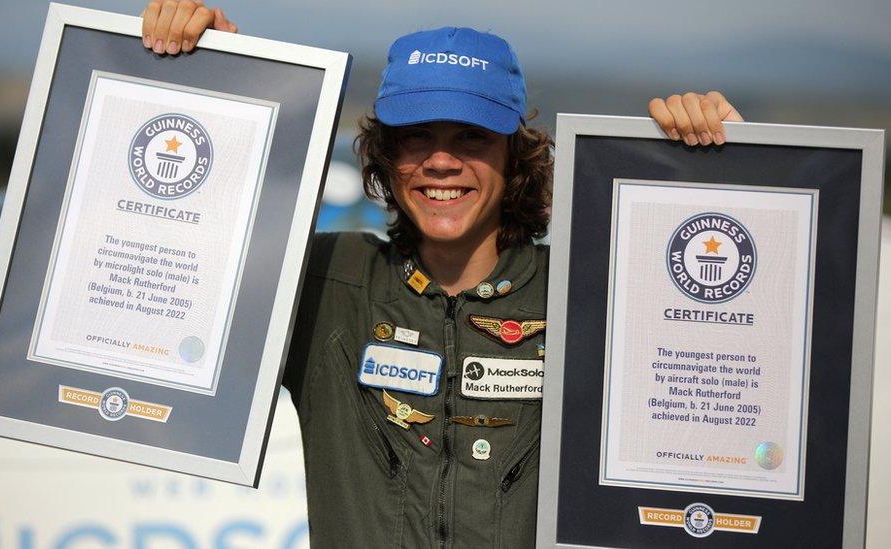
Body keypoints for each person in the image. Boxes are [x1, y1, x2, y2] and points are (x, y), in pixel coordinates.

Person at [140, 2, 743, 547]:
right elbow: (189, 263)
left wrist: (738, 164)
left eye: (471, 137)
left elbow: (723, 369)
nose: (442, 160)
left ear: (518, 156)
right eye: (416, 135)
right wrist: (209, 83)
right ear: (384, 154)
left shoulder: (587, 295)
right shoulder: (328, 278)